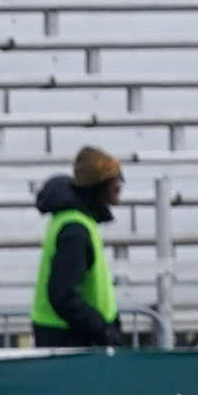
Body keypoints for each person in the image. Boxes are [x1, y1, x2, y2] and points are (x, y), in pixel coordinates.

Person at [31, 145, 126, 349]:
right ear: (97, 186)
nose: (120, 186)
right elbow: (62, 295)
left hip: (65, 334)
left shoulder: (74, 219)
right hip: (71, 339)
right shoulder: (76, 229)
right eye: (114, 181)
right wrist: (102, 329)